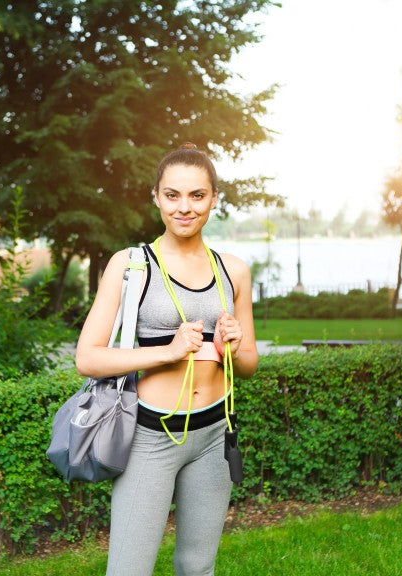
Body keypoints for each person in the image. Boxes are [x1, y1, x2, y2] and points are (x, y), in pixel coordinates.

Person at [76, 143, 259, 576]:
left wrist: (234, 346)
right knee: (129, 570)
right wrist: (169, 351)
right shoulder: (131, 265)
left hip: (215, 434)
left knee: (198, 567)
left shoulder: (233, 270)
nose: (185, 207)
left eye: (197, 195)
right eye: (172, 195)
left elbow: (249, 363)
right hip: (150, 436)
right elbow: (87, 357)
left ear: (214, 198)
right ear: (156, 196)